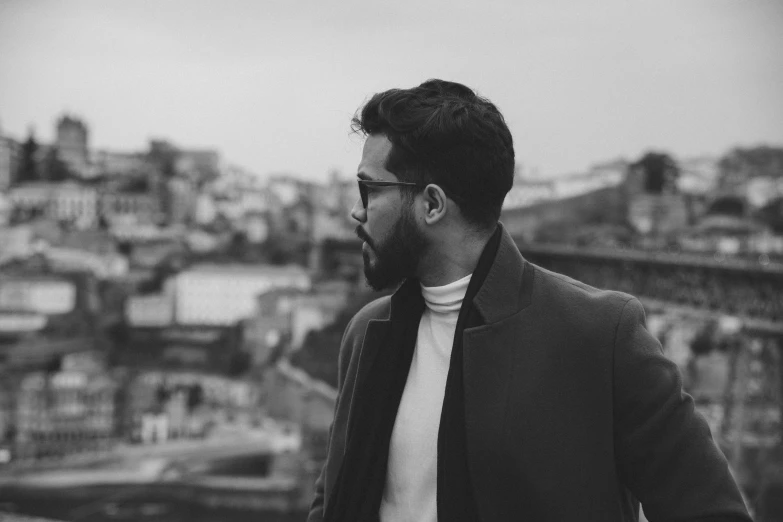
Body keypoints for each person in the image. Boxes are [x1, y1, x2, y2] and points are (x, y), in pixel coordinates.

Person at [307, 79, 751, 521]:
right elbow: (332, 500)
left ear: (433, 205)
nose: (357, 211)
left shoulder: (599, 335)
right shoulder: (366, 332)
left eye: (370, 190)